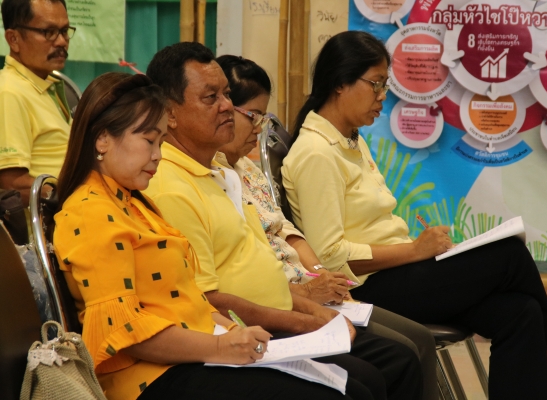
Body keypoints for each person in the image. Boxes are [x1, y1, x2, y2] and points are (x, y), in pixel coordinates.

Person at [281, 30, 547, 400]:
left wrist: (418, 250)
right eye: (376, 84)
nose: (382, 96)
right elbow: (331, 257)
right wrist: (415, 250)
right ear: (340, 82)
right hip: (366, 288)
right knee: (509, 255)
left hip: (398, 273)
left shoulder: (350, 139)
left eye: (385, 85)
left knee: (522, 311)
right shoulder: (317, 153)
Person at [52, 71, 379, 400]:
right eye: (148, 141)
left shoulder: (134, 203)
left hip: (198, 352)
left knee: (360, 383)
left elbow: (190, 299)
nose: (157, 155)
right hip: (150, 377)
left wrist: (235, 332)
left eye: (160, 143)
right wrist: (223, 346)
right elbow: (127, 334)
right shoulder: (90, 212)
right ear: (102, 139)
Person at [144, 42, 422, 400]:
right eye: (211, 97)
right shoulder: (171, 187)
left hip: (280, 312)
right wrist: (309, 319)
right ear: (169, 114)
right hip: (243, 332)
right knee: (366, 381)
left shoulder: (220, 172)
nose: (227, 106)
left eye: (227, 95)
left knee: (394, 362)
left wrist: (313, 309)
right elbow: (209, 302)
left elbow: (271, 262)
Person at [215, 54, 439, 400]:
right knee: (396, 360)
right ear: (340, 85)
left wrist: (319, 275)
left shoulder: (246, 168)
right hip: (281, 301)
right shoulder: (309, 153)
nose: (258, 129)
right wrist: (308, 296)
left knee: (419, 343)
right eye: (376, 84)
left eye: (263, 118)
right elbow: (240, 277)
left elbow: (286, 231)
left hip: (309, 289)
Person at [0, 0, 74, 205]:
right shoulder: (9, 92)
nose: (61, 42)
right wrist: (76, 196)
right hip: (52, 218)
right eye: (48, 32)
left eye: (64, 31)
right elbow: (11, 185)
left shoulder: (48, 85)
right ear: (13, 39)